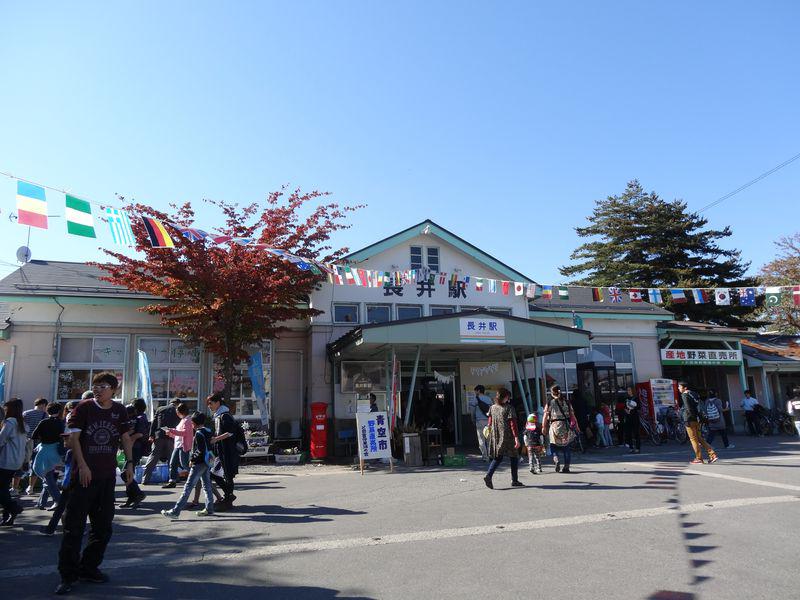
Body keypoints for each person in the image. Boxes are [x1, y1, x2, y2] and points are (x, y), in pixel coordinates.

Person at [56, 372, 135, 595]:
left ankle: (89, 568)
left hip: (106, 477)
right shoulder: (83, 408)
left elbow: (125, 438)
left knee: (103, 527)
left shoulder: (119, 410)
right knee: (74, 528)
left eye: (103, 386)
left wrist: (129, 464)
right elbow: (73, 439)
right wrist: (82, 466)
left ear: (113, 390)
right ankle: (68, 575)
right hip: (84, 477)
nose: (98, 389)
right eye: (96, 386)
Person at [161, 412, 215, 519]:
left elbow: (199, 450)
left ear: (194, 423)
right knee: (207, 486)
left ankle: (175, 511)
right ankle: (209, 508)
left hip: (198, 463)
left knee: (188, 487)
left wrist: (192, 459)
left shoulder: (199, 433)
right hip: (207, 462)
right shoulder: (208, 431)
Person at [41, 401, 80, 536]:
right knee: (65, 507)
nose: (63, 442)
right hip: (71, 483)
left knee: (66, 507)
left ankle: (57, 528)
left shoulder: (71, 452)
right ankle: (55, 528)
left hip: (71, 483)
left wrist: (65, 481)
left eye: (66, 439)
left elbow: (68, 471)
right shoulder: (72, 452)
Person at [206, 393, 240, 511]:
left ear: (218, 403)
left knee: (227, 475)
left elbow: (230, 432)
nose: (209, 406)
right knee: (214, 473)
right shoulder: (218, 415)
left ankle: (228, 498)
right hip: (220, 451)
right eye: (208, 404)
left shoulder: (225, 416)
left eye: (210, 403)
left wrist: (216, 439)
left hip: (227, 451)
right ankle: (228, 496)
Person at [483, 388, 522, 489]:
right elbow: (513, 424)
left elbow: (489, 422)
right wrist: (516, 438)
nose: (508, 399)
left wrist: (488, 431)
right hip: (508, 436)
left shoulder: (492, 407)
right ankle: (514, 480)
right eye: (508, 397)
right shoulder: (509, 408)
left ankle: (489, 475)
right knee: (514, 456)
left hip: (496, 435)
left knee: (498, 457)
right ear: (505, 397)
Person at [31, 402, 66, 509]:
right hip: (57, 452)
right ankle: (41, 503)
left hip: (44, 451)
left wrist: (43, 437)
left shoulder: (44, 422)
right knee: (50, 478)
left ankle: (59, 500)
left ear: (47, 410)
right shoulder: (61, 423)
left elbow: (34, 435)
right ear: (59, 411)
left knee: (48, 478)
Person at [0, 398, 28, 526]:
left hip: (5, 460)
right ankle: (7, 516)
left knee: (2, 490)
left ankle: (13, 508)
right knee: (4, 489)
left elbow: (1, 441)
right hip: (16, 461)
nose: (5, 411)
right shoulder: (21, 423)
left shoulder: (10, 423)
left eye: (6, 408)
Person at [142, 398, 181, 485]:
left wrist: (151, 435)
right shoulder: (177, 410)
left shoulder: (160, 409)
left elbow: (154, 423)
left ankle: (145, 479)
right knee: (172, 459)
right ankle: (173, 478)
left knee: (153, 457)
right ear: (177, 404)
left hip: (158, 436)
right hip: (171, 437)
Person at [679, 381, 718, 465]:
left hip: (689, 419)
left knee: (693, 439)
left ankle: (699, 458)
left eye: (680, 387)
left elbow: (688, 408)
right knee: (699, 438)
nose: (679, 388)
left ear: (685, 388)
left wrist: (687, 418)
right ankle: (712, 455)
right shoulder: (694, 394)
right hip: (697, 419)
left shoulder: (684, 395)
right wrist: (696, 417)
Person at [15, 396, 48, 495]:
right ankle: (31, 487)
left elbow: (20, 427)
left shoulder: (25, 413)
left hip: (24, 442)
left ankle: (15, 487)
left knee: (21, 463)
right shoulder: (45, 415)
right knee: (35, 465)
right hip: (37, 443)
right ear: (43, 405)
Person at [120, 399, 149, 508]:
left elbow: (140, 434)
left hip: (135, 449)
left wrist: (129, 441)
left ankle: (138, 494)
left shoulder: (140, 418)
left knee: (125, 473)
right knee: (127, 473)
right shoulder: (136, 418)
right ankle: (131, 497)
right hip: (132, 448)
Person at [542, 385, 576, 473]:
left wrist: (543, 427)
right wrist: (577, 426)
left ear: (552, 393)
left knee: (553, 445)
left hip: (554, 425)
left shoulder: (550, 402)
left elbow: (545, 416)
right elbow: (572, 415)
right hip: (565, 425)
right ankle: (566, 466)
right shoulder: (567, 402)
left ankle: (556, 459)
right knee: (566, 447)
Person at [162, 402, 193, 488]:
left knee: (184, 464)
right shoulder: (183, 420)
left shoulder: (187, 420)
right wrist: (171, 433)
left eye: (177, 411)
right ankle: (172, 481)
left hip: (183, 446)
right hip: (178, 445)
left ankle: (197, 476)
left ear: (180, 411)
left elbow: (184, 433)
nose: (176, 413)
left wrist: (171, 431)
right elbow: (179, 434)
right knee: (173, 463)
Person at [469, 385, 492, 461]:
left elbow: (472, 412)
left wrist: (473, 420)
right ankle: (490, 455)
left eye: (475, 391)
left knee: (481, 440)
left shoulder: (475, 399)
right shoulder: (489, 399)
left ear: (478, 391)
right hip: (488, 421)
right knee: (489, 439)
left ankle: (485, 457)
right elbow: (492, 411)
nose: (475, 392)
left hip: (479, 421)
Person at [624, 387, 641, 454]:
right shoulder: (626, 398)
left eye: (629, 390)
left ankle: (637, 448)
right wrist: (626, 410)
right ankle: (631, 447)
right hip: (628, 417)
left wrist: (633, 408)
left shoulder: (636, 398)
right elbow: (625, 407)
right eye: (627, 390)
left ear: (632, 391)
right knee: (628, 433)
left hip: (635, 417)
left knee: (636, 433)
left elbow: (639, 407)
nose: (628, 391)